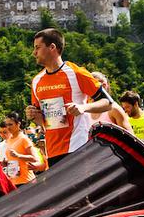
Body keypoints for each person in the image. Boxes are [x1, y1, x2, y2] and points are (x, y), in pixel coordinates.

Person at [25, 28, 110, 166]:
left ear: (52, 47)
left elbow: (108, 103)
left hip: (78, 146)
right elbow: (43, 121)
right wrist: (33, 115)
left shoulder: (76, 73)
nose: (34, 52)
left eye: (37, 48)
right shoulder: (36, 81)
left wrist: (83, 107)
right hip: (52, 150)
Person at [2, 112, 39, 187]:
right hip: (14, 180)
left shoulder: (24, 139)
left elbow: (35, 158)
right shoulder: (9, 139)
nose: (8, 127)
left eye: (10, 124)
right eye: (7, 125)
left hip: (26, 181)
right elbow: (14, 159)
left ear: (18, 124)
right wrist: (6, 162)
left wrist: (19, 156)